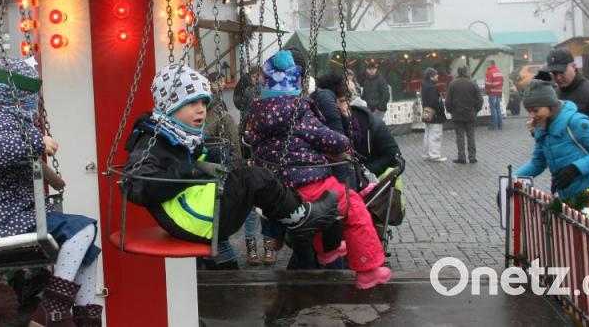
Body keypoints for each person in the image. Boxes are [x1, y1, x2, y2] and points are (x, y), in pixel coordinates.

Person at [123, 62, 341, 272]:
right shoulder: (152, 141)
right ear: (170, 106)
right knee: (251, 178)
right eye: (192, 103)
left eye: (203, 103)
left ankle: (292, 221)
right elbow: (136, 186)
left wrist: (204, 158)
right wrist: (188, 170)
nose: (201, 110)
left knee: (253, 178)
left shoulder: (174, 135)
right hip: (196, 220)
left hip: (198, 213)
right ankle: (300, 218)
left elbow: (185, 160)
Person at [0, 58, 103, 327]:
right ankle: (53, 308)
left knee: (89, 251)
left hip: (14, 214)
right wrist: (37, 140)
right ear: (22, 97)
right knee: (83, 229)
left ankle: (86, 319)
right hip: (2, 218)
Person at [246, 51, 391, 288]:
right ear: (297, 87)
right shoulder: (299, 112)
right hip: (306, 185)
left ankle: (327, 252)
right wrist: (344, 143)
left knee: (330, 207)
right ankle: (368, 269)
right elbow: (331, 140)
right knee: (353, 207)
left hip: (277, 188)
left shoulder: (259, 115)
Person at [514, 72, 589, 202]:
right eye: (529, 111)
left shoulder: (576, 122)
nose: (532, 116)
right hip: (567, 198)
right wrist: (511, 180)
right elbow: (537, 163)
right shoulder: (542, 127)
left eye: (536, 110)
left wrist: (576, 168)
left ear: (550, 105)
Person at [201, 73, 261, 269]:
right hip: (198, 184)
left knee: (218, 234)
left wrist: (227, 177)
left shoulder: (222, 118)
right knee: (210, 233)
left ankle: (228, 267)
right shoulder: (192, 119)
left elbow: (235, 152)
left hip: (217, 181)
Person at [318, 71, 403, 177]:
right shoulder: (321, 131)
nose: (338, 108)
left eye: (342, 101)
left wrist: (363, 173)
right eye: (329, 104)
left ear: (349, 101)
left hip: (375, 187)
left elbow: (394, 157)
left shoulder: (372, 125)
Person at [545, 49, 589, 136]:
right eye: (554, 73)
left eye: (561, 72)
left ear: (574, 66)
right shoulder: (553, 95)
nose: (558, 77)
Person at [446, 66, 483, 164]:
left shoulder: (453, 84)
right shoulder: (472, 83)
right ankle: (472, 156)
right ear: (466, 72)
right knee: (471, 135)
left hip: (457, 113)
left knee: (460, 136)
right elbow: (480, 100)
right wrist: (476, 110)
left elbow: (448, 100)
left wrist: (450, 110)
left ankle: (461, 156)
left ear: (458, 72)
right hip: (470, 113)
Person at [421, 67, 448, 162]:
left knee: (428, 135)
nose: (438, 76)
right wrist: (441, 109)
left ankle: (426, 154)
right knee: (436, 135)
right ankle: (435, 155)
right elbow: (435, 102)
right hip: (435, 115)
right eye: (436, 75)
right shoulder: (432, 87)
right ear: (431, 76)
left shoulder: (424, 85)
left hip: (427, 113)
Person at [485, 60, 505, 130]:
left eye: (487, 64)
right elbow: (502, 82)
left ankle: (494, 125)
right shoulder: (499, 71)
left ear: (491, 64)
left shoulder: (490, 72)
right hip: (499, 92)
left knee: (493, 109)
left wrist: (487, 91)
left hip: (492, 92)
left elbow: (488, 84)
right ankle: (500, 124)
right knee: (498, 108)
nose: (486, 66)